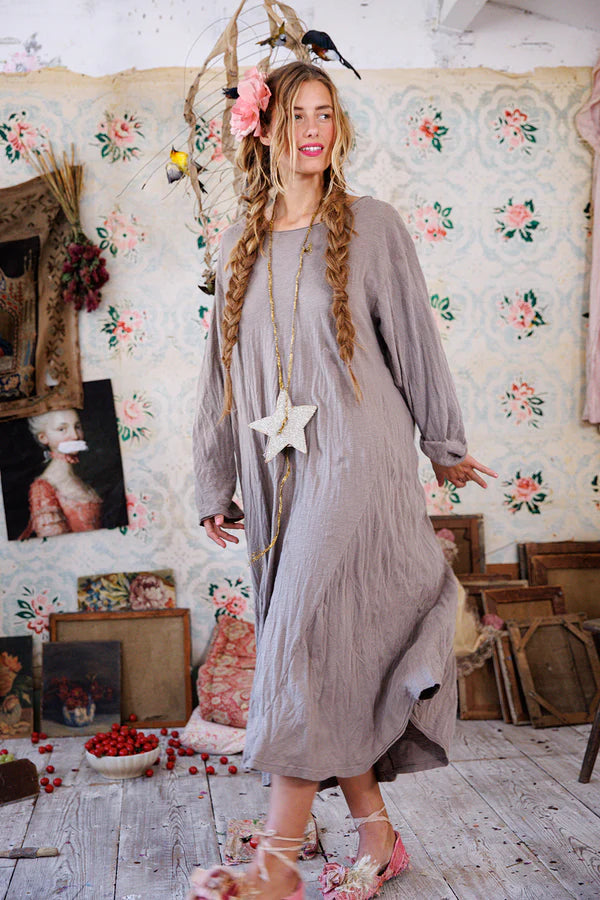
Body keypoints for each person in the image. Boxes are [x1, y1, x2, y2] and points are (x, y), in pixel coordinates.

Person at [191, 60, 497, 900]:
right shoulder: (238, 243)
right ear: (263, 130)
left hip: (360, 462)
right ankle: (378, 838)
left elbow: (415, 339)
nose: (314, 130)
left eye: (325, 113)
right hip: (278, 473)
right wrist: (214, 477)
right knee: (332, 650)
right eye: (296, 114)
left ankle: (276, 865)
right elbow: (219, 373)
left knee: (301, 640)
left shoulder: (372, 226)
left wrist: (443, 440)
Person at [20, 408, 101, 539]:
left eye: (77, 427)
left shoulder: (80, 476)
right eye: (62, 429)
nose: (75, 436)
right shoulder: (43, 488)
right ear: (43, 438)